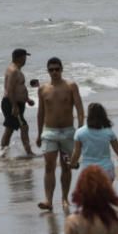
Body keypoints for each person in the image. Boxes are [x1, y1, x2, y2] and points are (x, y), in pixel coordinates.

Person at [36, 57, 85, 212]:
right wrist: (38, 133)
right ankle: (48, 200)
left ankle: (64, 198)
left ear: (61, 69)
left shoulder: (71, 86)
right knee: (49, 166)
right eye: (51, 69)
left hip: (68, 132)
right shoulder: (43, 89)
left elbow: (79, 108)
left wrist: (80, 129)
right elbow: (41, 112)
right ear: (48, 71)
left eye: (57, 69)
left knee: (66, 167)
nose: (54, 72)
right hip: (49, 132)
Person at [70, 103, 118, 182]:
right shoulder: (108, 132)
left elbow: (76, 153)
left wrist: (72, 164)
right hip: (106, 170)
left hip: (88, 171)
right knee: (105, 194)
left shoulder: (80, 132)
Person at [0, 48, 35, 158]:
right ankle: (28, 152)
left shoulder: (15, 69)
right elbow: (9, 89)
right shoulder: (14, 70)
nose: (25, 60)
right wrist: (14, 106)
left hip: (16, 103)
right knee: (23, 126)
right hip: (11, 103)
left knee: (10, 128)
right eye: (25, 57)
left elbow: (18, 87)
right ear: (19, 58)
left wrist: (27, 99)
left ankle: (3, 153)